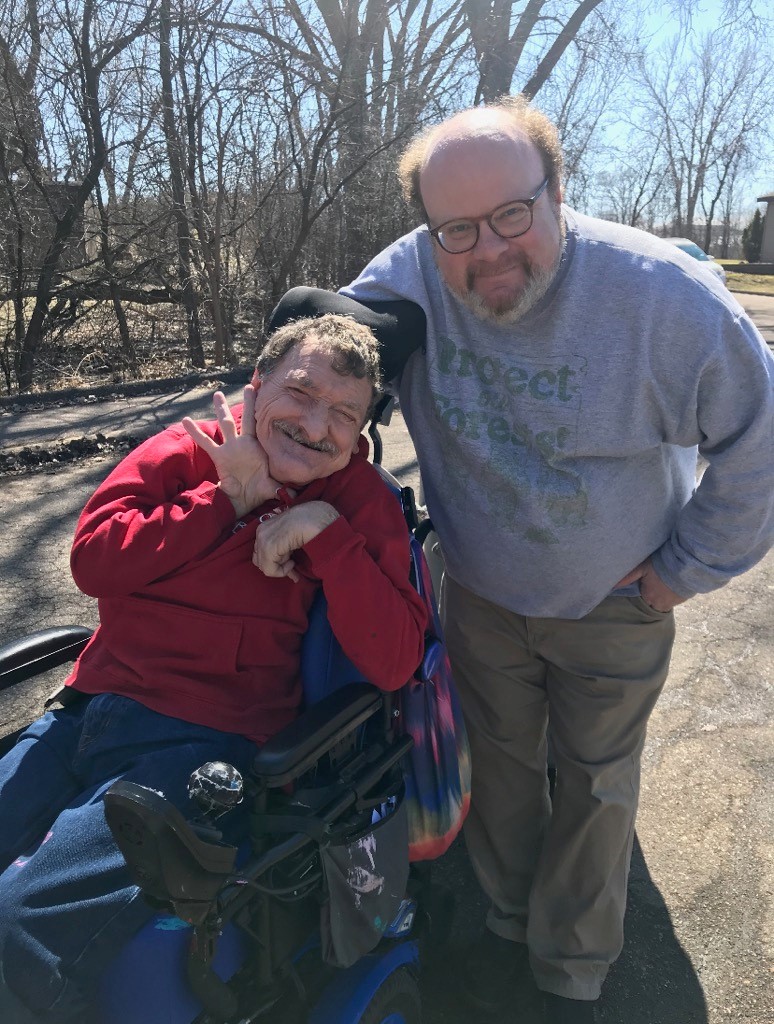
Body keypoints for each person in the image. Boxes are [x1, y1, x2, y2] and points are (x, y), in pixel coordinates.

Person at [270, 96, 774, 1023]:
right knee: (500, 767)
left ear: (558, 192)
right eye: (457, 227)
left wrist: (686, 568)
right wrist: (244, 448)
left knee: (593, 783)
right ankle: (506, 926)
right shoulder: (412, 277)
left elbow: (760, 442)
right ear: (430, 228)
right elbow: (318, 367)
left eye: (513, 214)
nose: (489, 249)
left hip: (618, 597)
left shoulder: (662, 299)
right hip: (485, 591)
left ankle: (570, 972)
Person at [0, 313, 427, 1023]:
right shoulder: (187, 449)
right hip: (89, 706)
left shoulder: (358, 498)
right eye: (300, 392)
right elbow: (92, 561)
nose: (317, 426)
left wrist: (323, 533)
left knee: (17, 925)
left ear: (359, 434)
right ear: (256, 387)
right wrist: (224, 500)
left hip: (203, 745)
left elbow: (394, 661)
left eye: (344, 415)